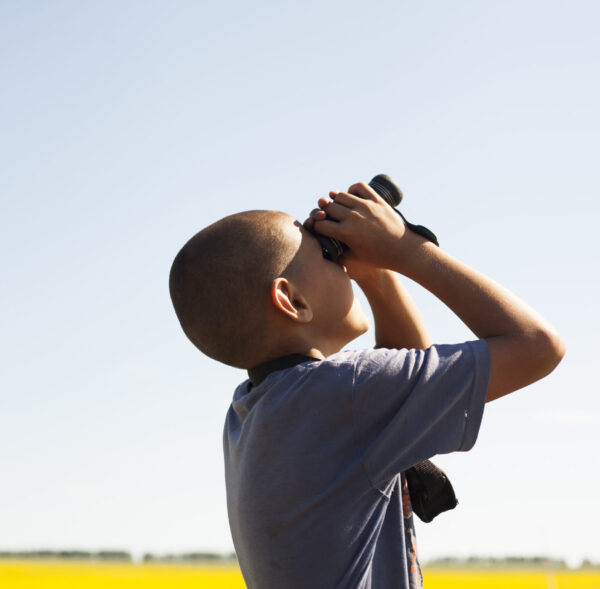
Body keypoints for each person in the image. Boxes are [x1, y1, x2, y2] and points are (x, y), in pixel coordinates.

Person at [168, 181, 565, 589]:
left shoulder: (253, 411)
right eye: (328, 254)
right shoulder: (345, 393)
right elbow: (537, 346)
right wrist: (404, 250)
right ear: (293, 301)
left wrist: (376, 275)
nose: (341, 265)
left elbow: (402, 388)